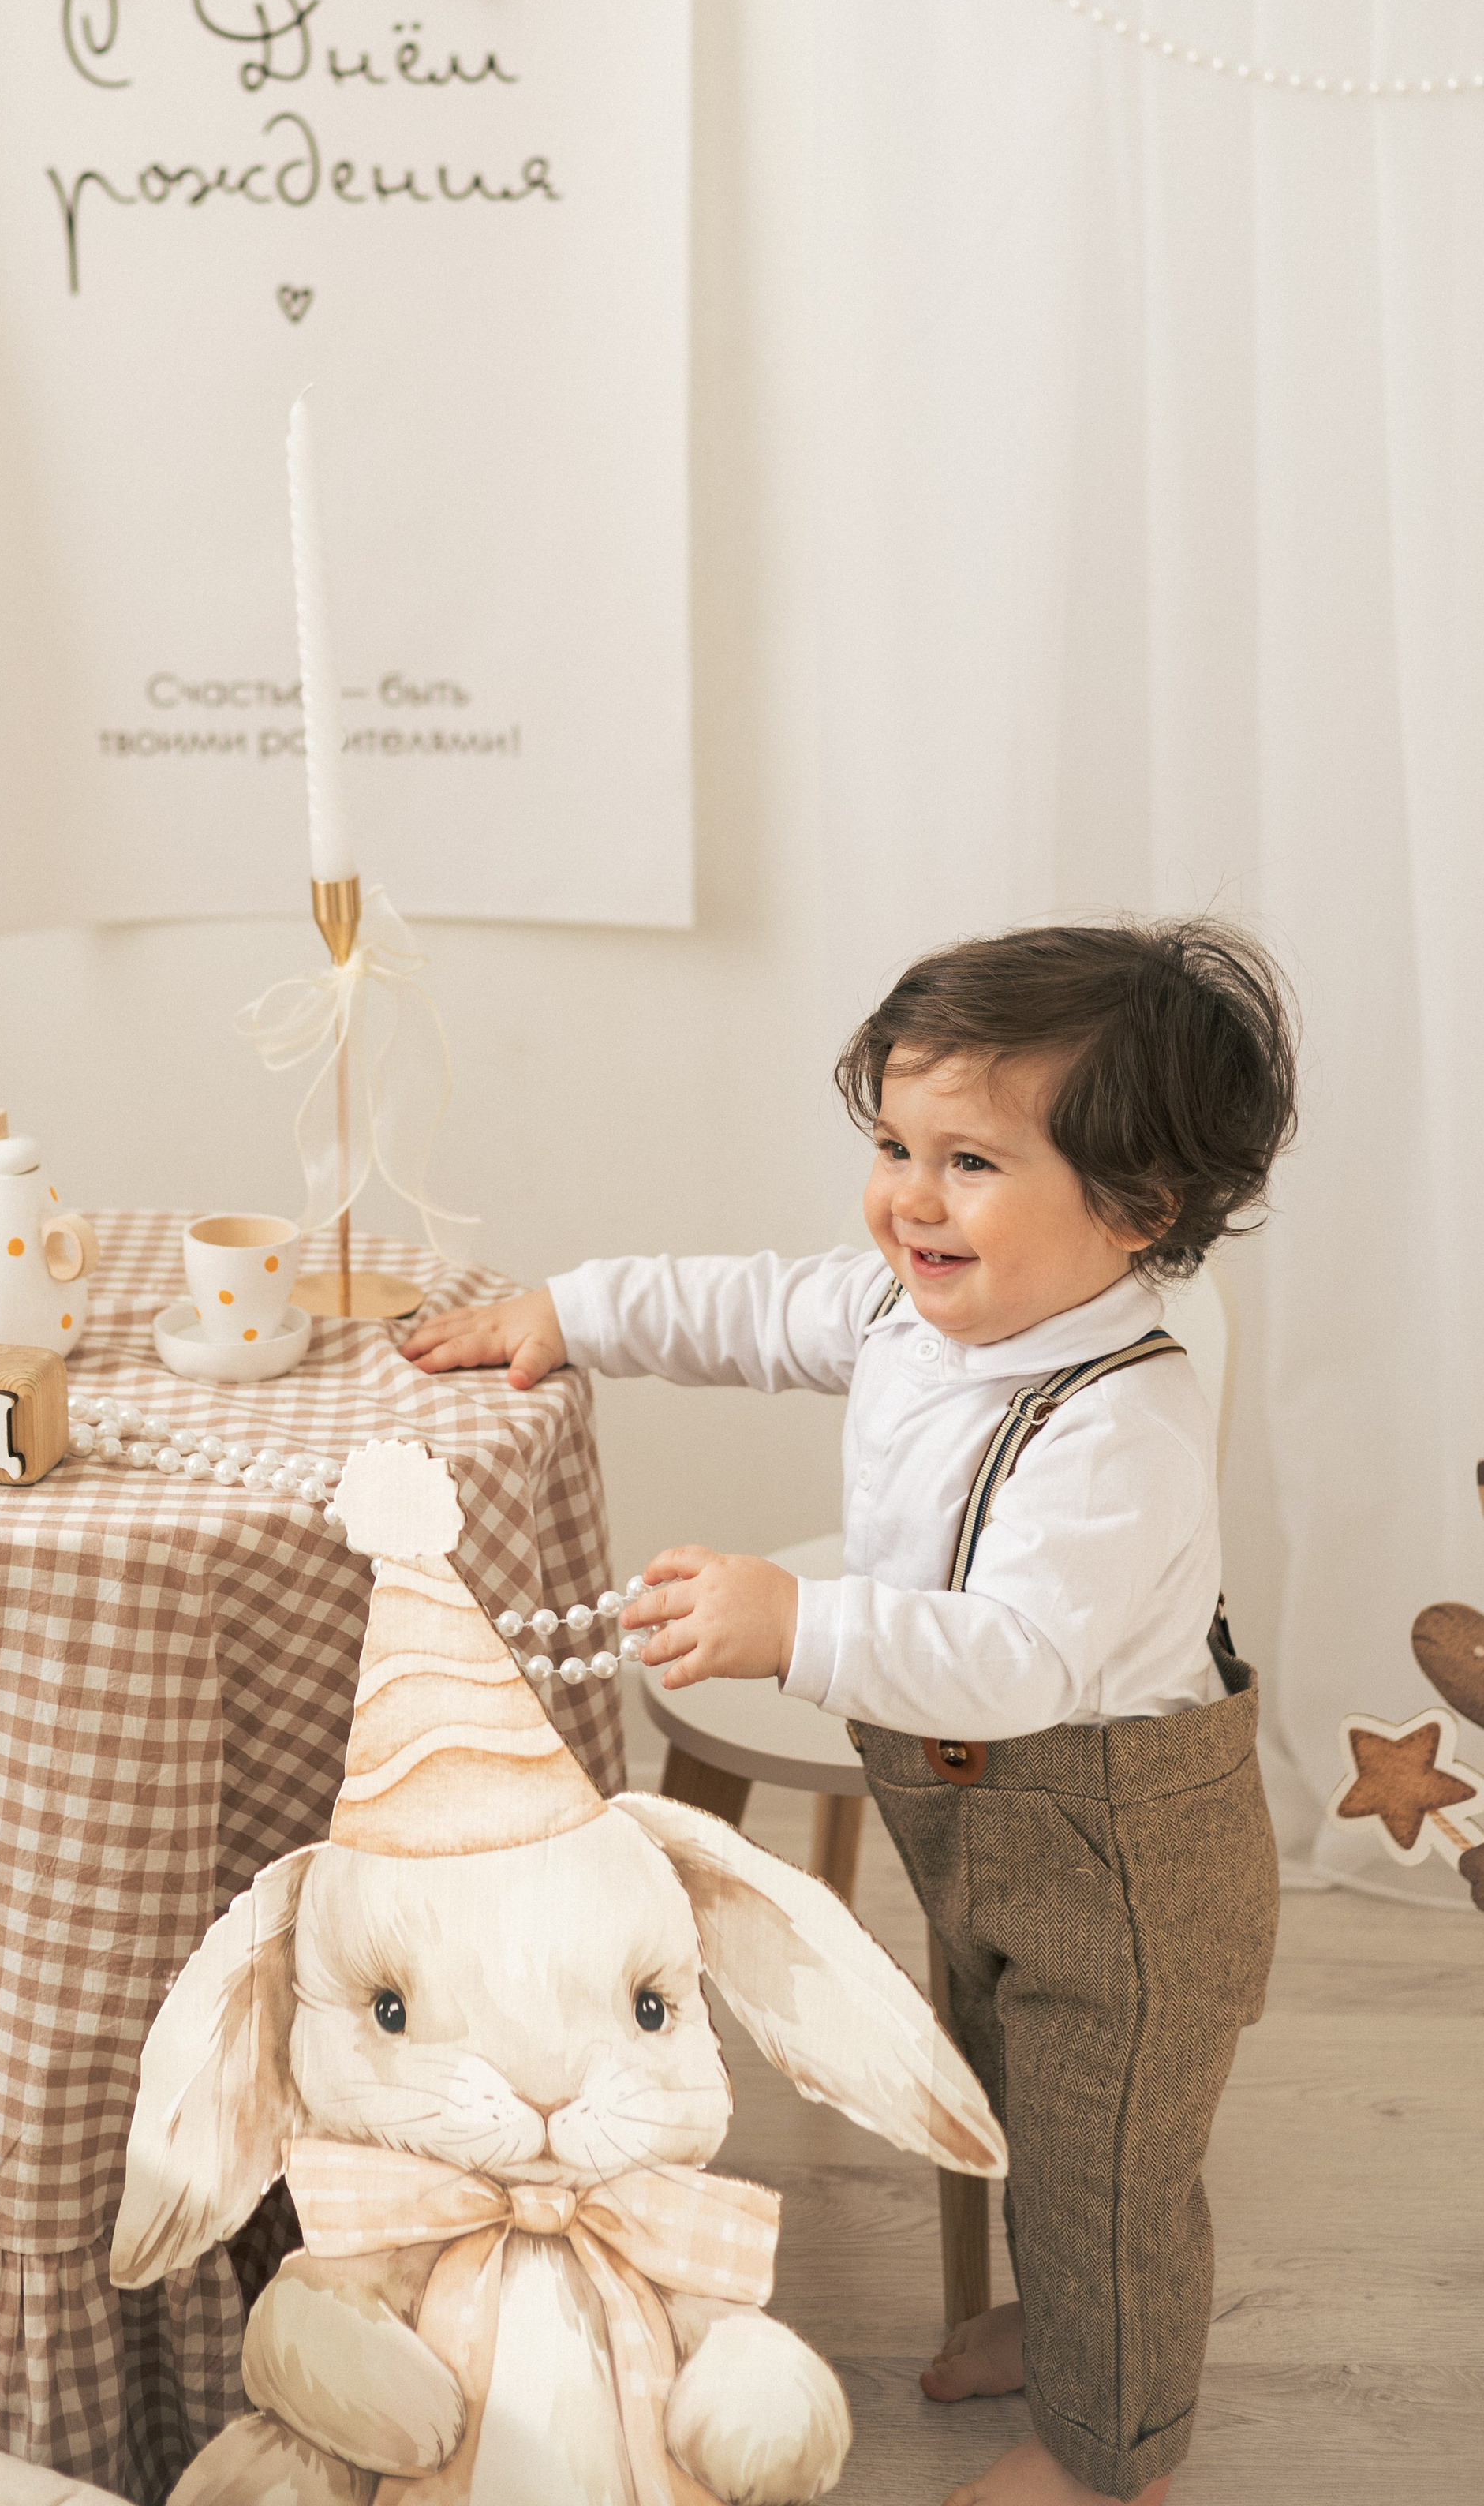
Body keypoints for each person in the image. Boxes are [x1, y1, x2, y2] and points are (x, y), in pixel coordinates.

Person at [404, 918, 1299, 2506]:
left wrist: (796, 1625)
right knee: (1022, 2105)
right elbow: (751, 1311)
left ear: (1135, 1210)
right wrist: (574, 1311)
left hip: (1124, 1869)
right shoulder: (915, 1310)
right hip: (997, 1832)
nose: (907, 1200)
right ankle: (1072, 2322)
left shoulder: (1121, 1429)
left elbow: (1016, 1661)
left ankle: (1111, 2455)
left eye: (970, 1163)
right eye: (893, 1147)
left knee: (1107, 2167)